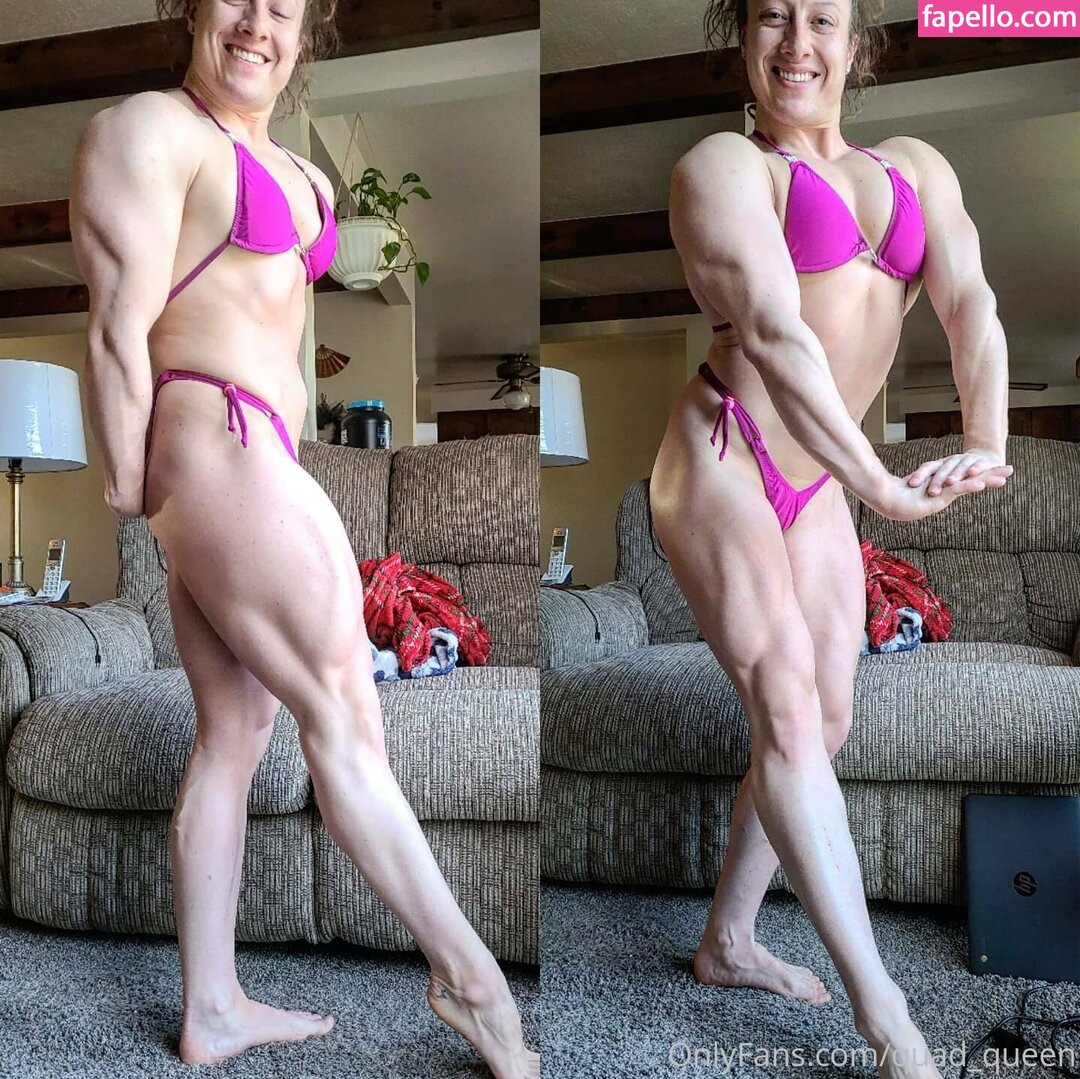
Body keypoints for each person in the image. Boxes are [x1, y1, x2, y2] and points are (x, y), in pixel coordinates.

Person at [68, 2, 539, 1075]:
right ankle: (475, 983)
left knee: (233, 735)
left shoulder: (307, 179)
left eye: (283, 6)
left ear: (306, 31)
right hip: (217, 442)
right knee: (348, 716)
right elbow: (116, 322)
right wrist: (133, 484)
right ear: (193, 9)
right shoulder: (151, 129)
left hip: (252, 453)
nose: (258, 22)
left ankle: (213, 1006)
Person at [649, 0, 1013, 1075]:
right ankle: (885, 1010)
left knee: (831, 711)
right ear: (742, 35)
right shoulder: (723, 167)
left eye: (822, 19)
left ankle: (728, 939)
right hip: (726, 454)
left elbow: (972, 305)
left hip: (819, 480)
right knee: (787, 702)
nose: (797, 43)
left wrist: (986, 438)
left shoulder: (915, 170)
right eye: (772, 16)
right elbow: (776, 332)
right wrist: (881, 485)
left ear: (858, 44)